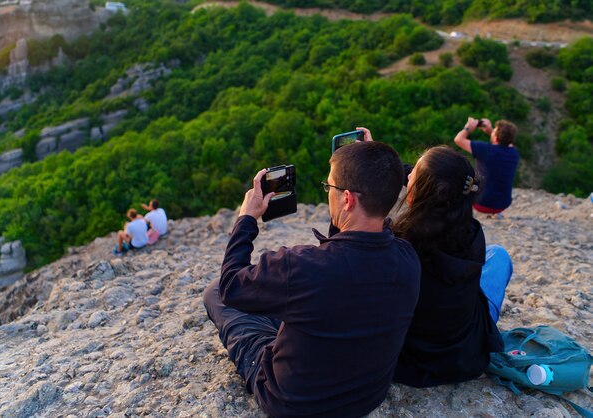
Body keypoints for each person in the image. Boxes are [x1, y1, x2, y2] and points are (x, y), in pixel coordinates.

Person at [203, 142, 421, 417]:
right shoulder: (408, 258)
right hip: (367, 396)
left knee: (214, 292)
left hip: (293, 401)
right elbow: (352, 259)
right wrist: (375, 170)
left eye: (330, 188)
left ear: (348, 200)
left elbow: (231, 286)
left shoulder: (301, 267)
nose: (328, 192)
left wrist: (247, 218)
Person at [391, 145, 512, 387]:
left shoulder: (402, 242)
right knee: (498, 256)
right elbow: (433, 182)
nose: (409, 174)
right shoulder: (472, 234)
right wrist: (391, 164)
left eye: (414, 173)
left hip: (416, 363)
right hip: (465, 356)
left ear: (425, 190)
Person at [453, 117, 519, 215]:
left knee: (460, 174)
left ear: (495, 137)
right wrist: (491, 131)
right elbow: (507, 142)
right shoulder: (514, 153)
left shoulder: (484, 149)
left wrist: (468, 128)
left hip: (480, 204)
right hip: (502, 205)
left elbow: (458, 139)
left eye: (494, 132)